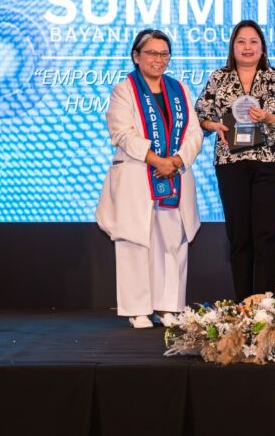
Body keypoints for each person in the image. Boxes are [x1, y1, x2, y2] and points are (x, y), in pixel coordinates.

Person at [96, 29, 204, 328]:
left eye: (164, 54)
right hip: (137, 174)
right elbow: (122, 133)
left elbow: (195, 133)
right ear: (136, 56)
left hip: (174, 177)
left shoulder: (180, 89)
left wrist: (176, 161)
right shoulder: (124, 90)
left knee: (172, 240)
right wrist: (158, 161)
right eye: (152, 53)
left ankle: (168, 306)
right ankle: (137, 308)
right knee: (135, 239)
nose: (159, 59)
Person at [195, 20, 275, 301]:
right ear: (232, 46)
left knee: (266, 236)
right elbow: (200, 116)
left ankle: (264, 305)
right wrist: (213, 125)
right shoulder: (219, 78)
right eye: (241, 41)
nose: (247, 47)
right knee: (239, 236)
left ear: (262, 47)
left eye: (253, 41)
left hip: (269, 163)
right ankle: (243, 305)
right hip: (231, 164)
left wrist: (270, 118)